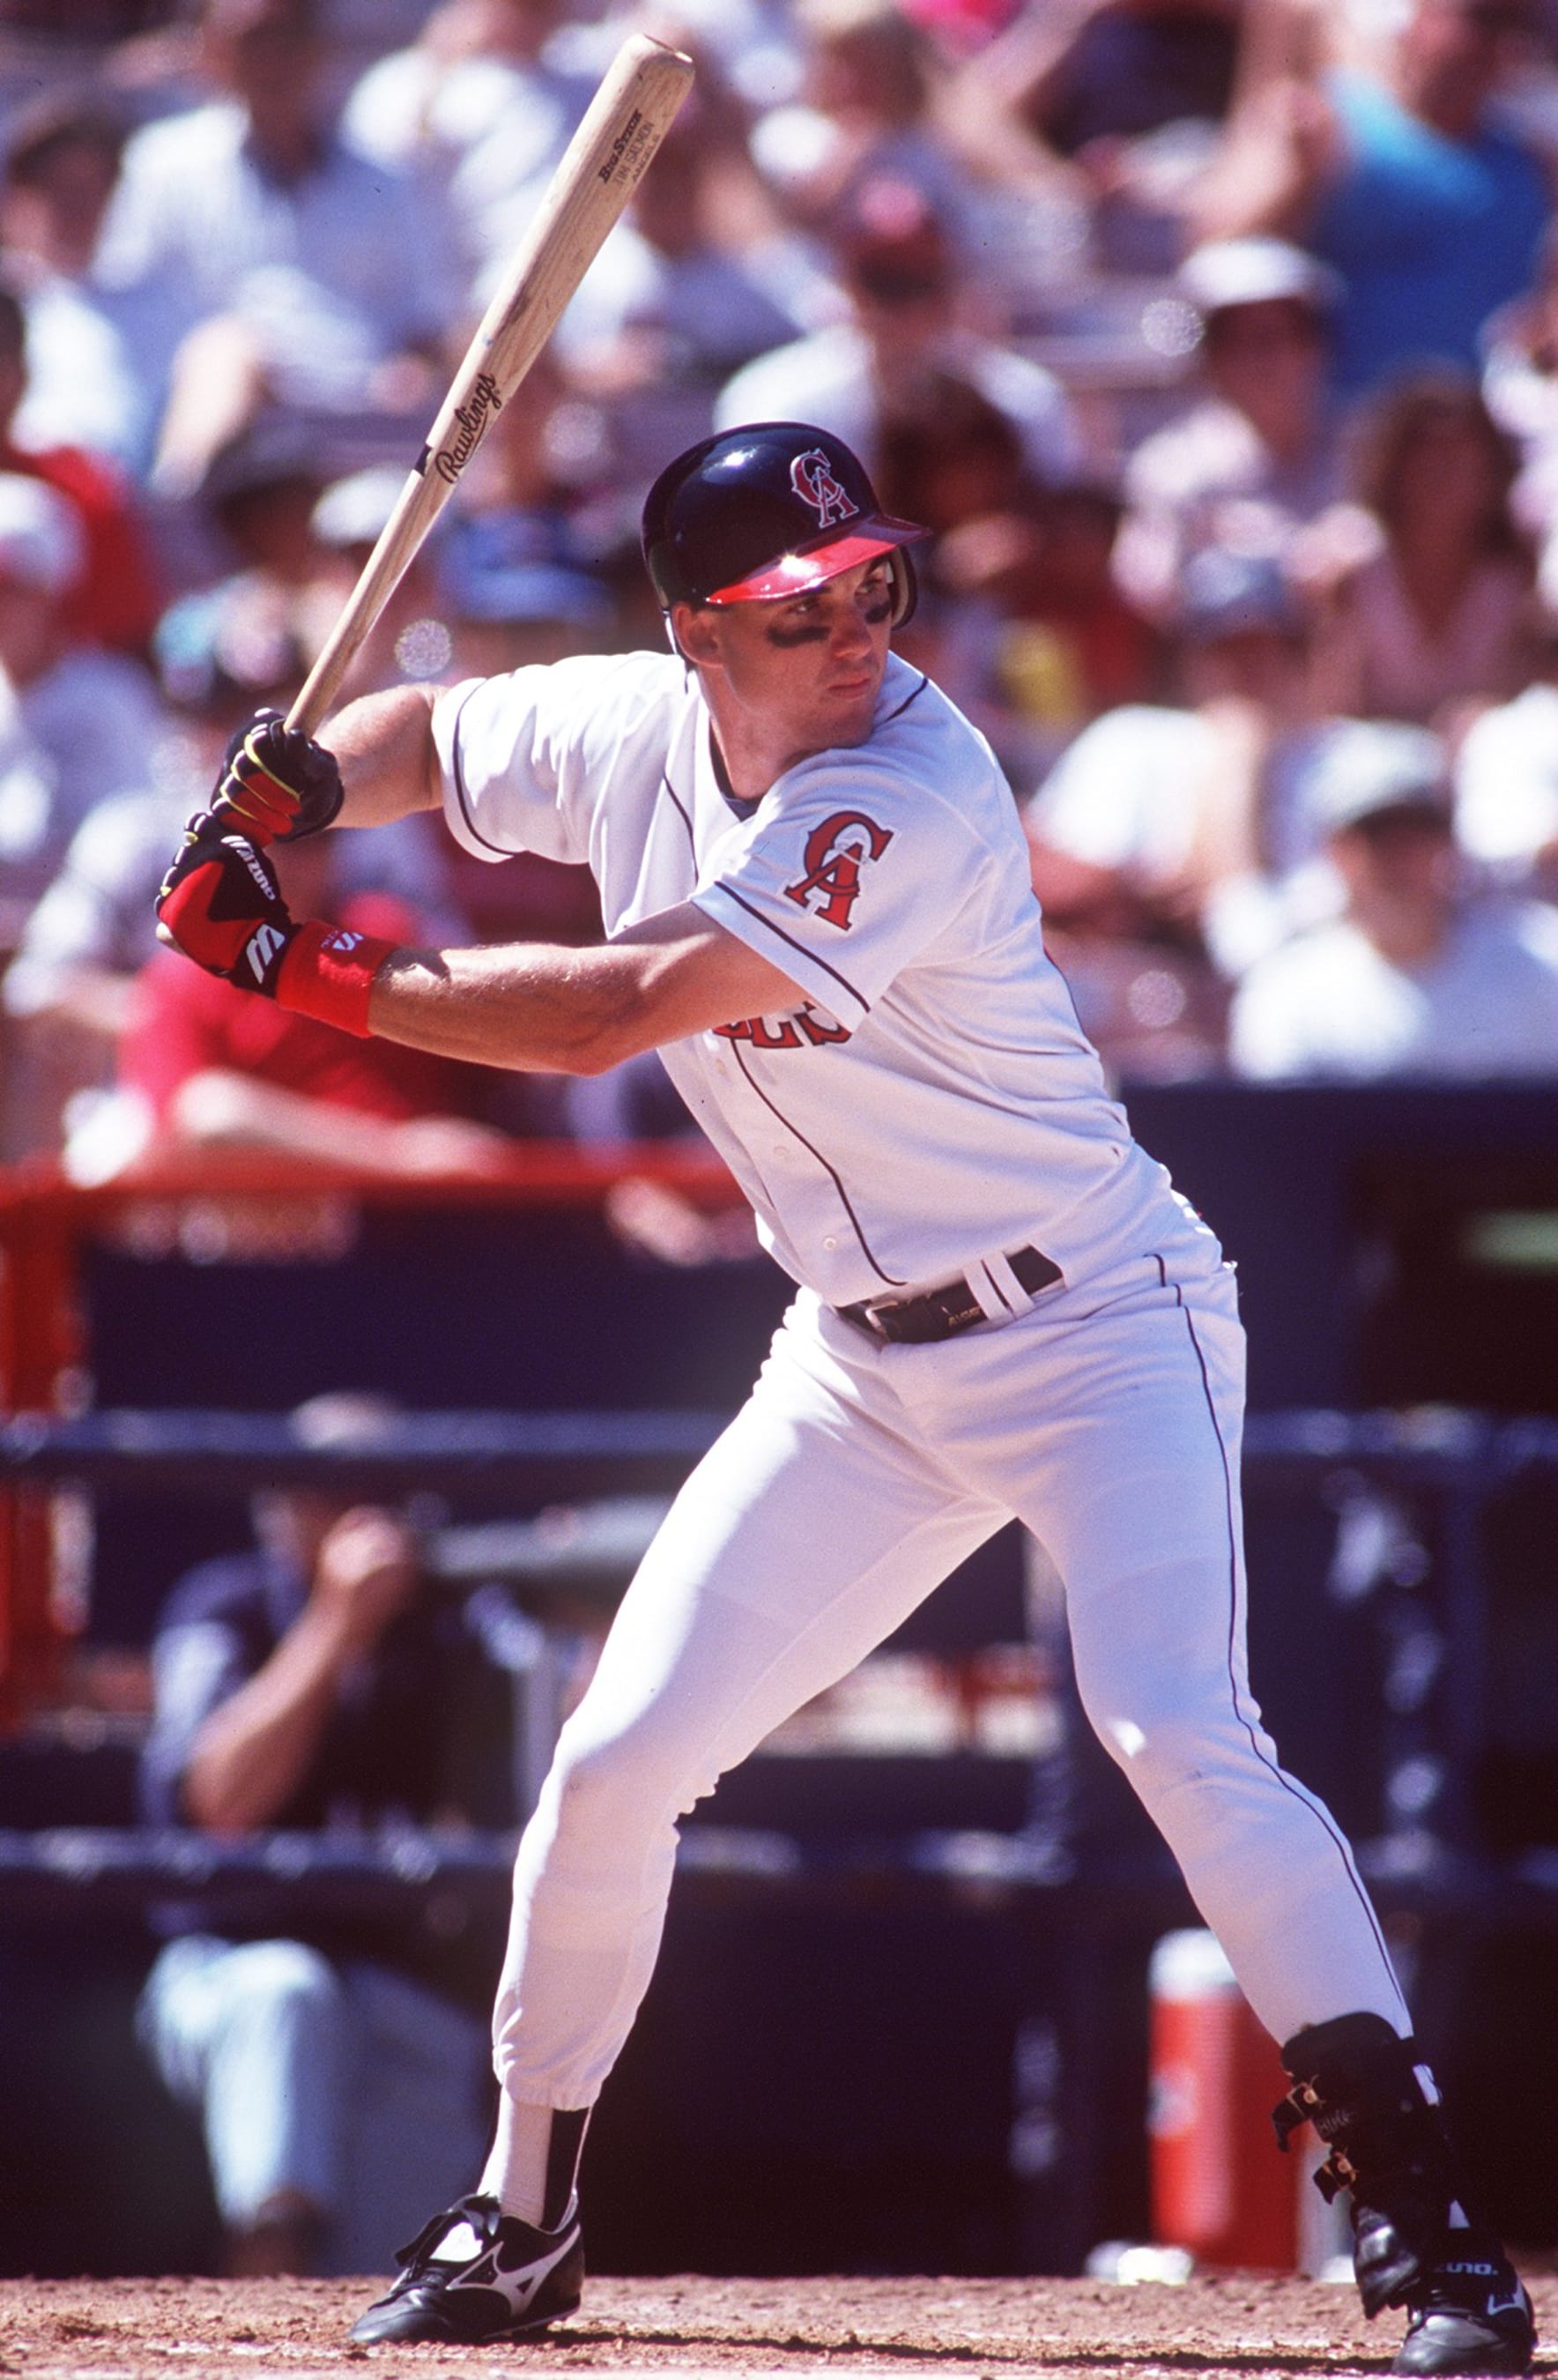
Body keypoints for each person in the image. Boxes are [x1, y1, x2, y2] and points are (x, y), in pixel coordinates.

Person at [155, 418, 1534, 2369]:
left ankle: (1431, 2243)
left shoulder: (913, 786)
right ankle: (522, 2211)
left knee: (1171, 1734)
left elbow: (617, 1009)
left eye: (875, 583)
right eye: (802, 604)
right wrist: (307, 779)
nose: (857, 627)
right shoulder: (629, 722)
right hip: (853, 1359)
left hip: (1092, 1323)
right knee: (618, 1758)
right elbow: (427, 735)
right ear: (695, 633)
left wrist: (306, 961)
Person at [136, 1393, 496, 2276]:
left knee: (431, 2047)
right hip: (227, 1966)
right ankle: (261, 2294)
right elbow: (218, 1806)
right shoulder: (225, 1605)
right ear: (281, 1506)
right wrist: (336, 1623)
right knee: (288, 1998)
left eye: (379, 1498)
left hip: (389, 1980)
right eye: (330, 1495)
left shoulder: (449, 1630)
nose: (358, 1522)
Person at [1228, 720, 1558, 1078]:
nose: (1397, 859)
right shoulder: (1285, 993)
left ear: (1445, 842)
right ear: (1335, 852)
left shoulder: (1541, 968)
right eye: (1376, 838)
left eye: (1414, 835)